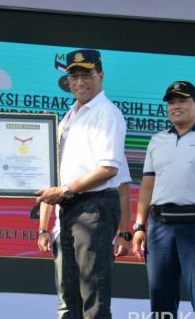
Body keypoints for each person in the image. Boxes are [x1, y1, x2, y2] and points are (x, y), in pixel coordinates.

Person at [131, 81, 195, 318]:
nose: (176, 106)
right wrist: (139, 226)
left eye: (182, 101)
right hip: (159, 227)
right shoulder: (157, 140)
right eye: (171, 102)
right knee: (160, 299)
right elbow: (147, 185)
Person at [36, 49, 126, 318]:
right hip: (70, 208)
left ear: (101, 75)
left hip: (93, 208)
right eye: (73, 75)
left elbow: (108, 168)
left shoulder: (107, 113)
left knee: (93, 299)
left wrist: (64, 190)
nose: (79, 82)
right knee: (70, 296)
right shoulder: (71, 116)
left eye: (86, 74)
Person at [38, 164, 132, 319]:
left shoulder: (108, 151)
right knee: (66, 303)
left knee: (95, 300)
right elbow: (49, 190)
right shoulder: (57, 147)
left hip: (96, 232)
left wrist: (123, 234)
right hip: (62, 234)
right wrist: (43, 229)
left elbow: (123, 194)